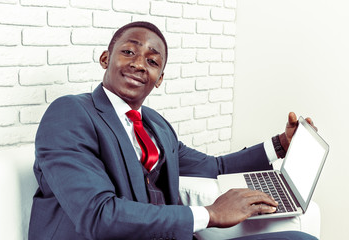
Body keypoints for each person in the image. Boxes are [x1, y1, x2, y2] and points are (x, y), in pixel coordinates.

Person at [28, 21, 318, 240]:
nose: (139, 64)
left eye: (152, 61)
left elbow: (214, 166)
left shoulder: (156, 125)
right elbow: (98, 214)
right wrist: (210, 214)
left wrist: (280, 144)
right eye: (128, 51)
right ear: (106, 59)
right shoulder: (70, 114)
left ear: (159, 79)